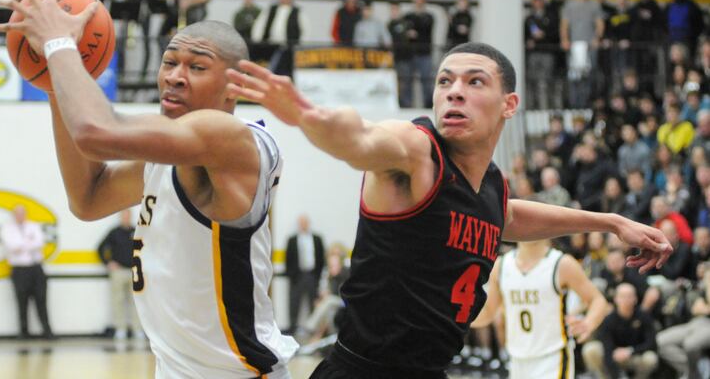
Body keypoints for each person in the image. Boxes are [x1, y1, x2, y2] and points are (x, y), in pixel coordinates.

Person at [226, 41, 672, 378]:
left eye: (474, 81)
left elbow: (509, 218)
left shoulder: (491, 187)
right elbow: (359, 139)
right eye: (444, 81)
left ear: (509, 104)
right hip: (362, 370)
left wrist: (611, 222)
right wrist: (305, 114)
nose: (454, 92)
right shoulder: (417, 151)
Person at [0, 0, 297, 378]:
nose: (176, 76)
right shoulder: (164, 157)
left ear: (234, 86)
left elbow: (95, 133)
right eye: (170, 62)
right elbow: (87, 199)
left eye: (197, 67)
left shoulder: (233, 140)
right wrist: (53, 82)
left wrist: (60, 46)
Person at [472, 239, 608, 379]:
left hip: (553, 358)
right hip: (517, 360)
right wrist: (455, 319)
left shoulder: (561, 263)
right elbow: (488, 313)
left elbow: (597, 300)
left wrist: (588, 323)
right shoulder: (501, 265)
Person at [582, 283, 659, 379]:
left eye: (629, 296)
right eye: (622, 296)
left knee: (651, 358)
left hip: (634, 355)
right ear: (615, 299)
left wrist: (630, 351)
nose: (626, 299)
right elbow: (607, 349)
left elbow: (652, 344)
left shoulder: (644, 316)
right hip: (613, 355)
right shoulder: (608, 320)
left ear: (635, 299)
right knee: (591, 349)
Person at [2, 204, 53, 339]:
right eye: (17, 213)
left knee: (41, 300)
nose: (20, 216)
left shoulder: (34, 226)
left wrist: (22, 244)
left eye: (22, 213)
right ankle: (23, 332)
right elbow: (12, 246)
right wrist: (28, 242)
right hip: (19, 270)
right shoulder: (7, 229)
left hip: (36, 268)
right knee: (21, 301)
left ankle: (47, 331)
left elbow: (39, 243)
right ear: (13, 215)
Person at [97, 209, 142, 340]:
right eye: (124, 216)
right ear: (120, 217)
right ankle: (120, 329)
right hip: (119, 272)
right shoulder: (114, 232)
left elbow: (145, 248)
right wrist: (108, 263)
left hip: (134, 271)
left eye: (128, 215)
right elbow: (100, 248)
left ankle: (137, 329)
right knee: (118, 300)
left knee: (137, 302)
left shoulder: (137, 231)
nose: (126, 218)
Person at [285, 214, 325, 334]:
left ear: (308, 223)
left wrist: (318, 275)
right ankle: (293, 327)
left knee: (313, 302)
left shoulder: (317, 239)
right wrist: (292, 275)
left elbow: (321, 258)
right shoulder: (292, 240)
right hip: (297, 276)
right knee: (294, 303)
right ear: (298, 224)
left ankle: (314, 329)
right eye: (301, 222)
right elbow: (288, 259)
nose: (303, 225)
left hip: (312, 275)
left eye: (305, 222)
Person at [120, 0, 156, 80]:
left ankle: (144, 73)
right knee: (124, 41)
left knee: (146, 41)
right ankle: (122, 72)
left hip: (145, 15)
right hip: (131, 16)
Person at [404, 0, 435, 108]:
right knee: (407, 80)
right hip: (410, 53)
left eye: (421, 0)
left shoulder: (429, 17)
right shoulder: (408, 16)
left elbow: (424, 31)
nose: (418, 2)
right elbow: (405, 31)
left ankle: (428, 105)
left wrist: (415, 32)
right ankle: (407, 106)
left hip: (425, 53)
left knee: (426, 80)